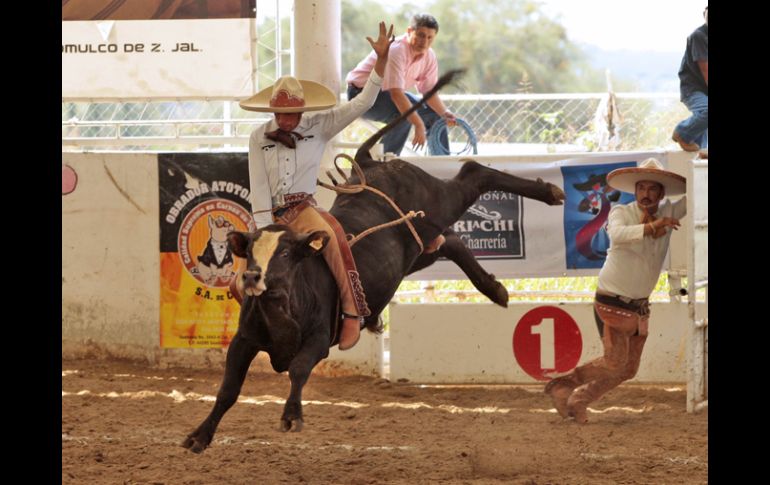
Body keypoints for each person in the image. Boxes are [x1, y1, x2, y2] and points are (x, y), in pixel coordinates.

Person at [237, 22, 394, 351]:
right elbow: (258, 184)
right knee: (236, 281)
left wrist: (381, 61)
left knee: (334, 239)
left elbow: (362, 103)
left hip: (303, 208)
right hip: (269, 214)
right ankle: (260, 324)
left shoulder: (320, 125)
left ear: (302, 110)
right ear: (273, 110)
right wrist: (265, 229)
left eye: (292, 114)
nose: (286, 120)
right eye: (280, 114)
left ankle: (351, 313)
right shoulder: (257, 137)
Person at [544, 158, 687, 423]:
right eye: (641, 188)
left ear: (661, 193)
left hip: (638, 306)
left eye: (652, 188)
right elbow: (617, 234)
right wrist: (653, 226)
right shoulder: (621, 211)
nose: (645, 193)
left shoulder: (669, 211)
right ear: (635, 191)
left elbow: (699, 196)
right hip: (612, 300)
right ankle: (565, 386)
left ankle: (579, 399)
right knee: (614, 362)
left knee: (628, 368)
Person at [345, 13, 456, 156]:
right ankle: (382, 163)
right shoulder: (397, 49)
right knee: (405, 114)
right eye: (421, 35)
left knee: (435, 115)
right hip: (360, 94)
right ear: (409, 31)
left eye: (430, 37)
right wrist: (418, 124)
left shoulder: (429, 56)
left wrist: (444, 113)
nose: (425, 41)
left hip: (386, 94)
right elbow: (396, 94)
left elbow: (429, 92)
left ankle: (441, 163)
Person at [672, 6, 708, 152]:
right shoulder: (699, 36)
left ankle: (701, 150)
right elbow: (706, 71)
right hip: (693, 89)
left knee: (701, 147)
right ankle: (682, 132)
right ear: (704, 14)